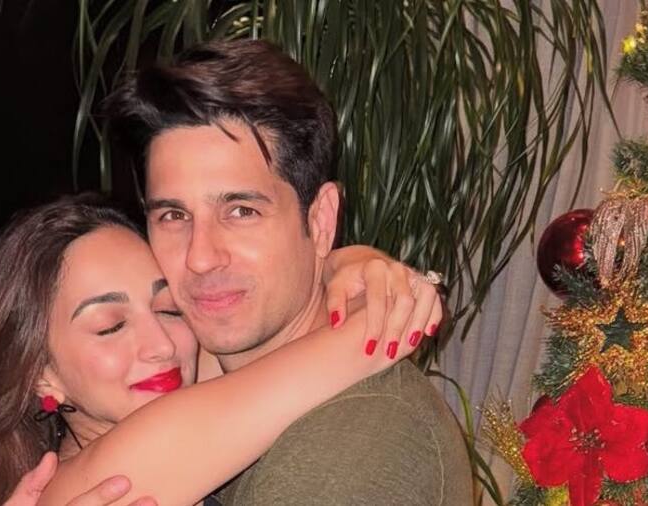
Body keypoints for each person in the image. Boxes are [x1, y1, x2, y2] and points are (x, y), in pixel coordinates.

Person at [103, 39, 473, 504]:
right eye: (174, 216)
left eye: (242, 211)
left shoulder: (350, 456)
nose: (200, 257)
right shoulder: (186, 374)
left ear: (321, 220)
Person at [0, 195, 426, 506]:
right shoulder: (93, 484)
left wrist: (345, 263)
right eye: (110, 326)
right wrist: (385, 288)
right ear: (41, 374)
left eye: (167, 309)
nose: (161, 345)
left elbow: (277, 312)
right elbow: (365, 339)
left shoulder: (165, 394)